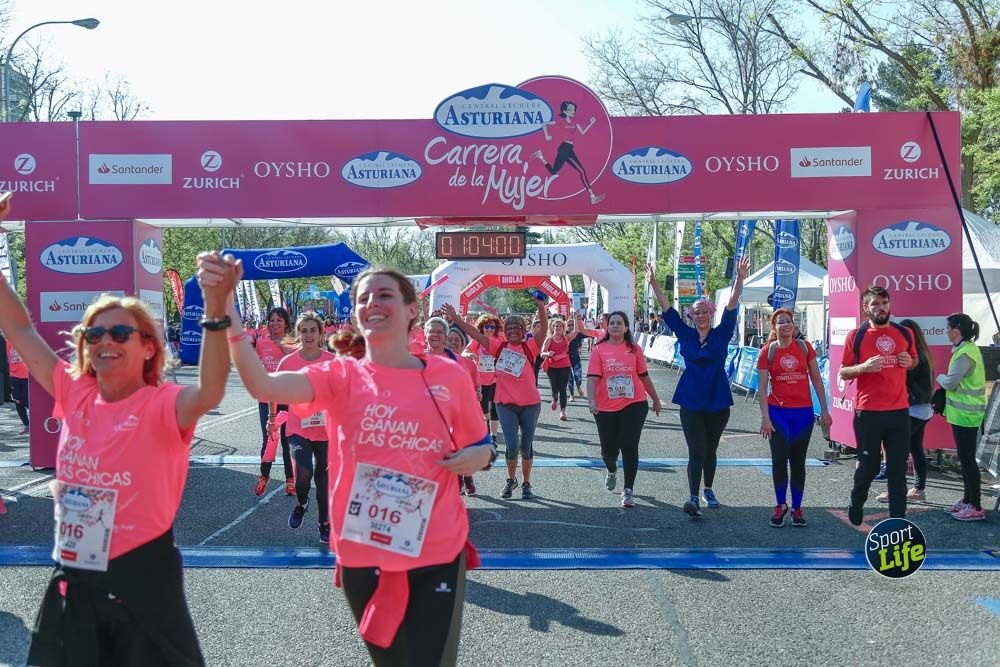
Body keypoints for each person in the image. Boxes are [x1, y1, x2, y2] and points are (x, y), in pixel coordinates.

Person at [203, 259, 493, 667]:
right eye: (363, 298)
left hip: (436, 546)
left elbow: (483, 447)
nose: (373, 302)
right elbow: (262, 385)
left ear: (413, 310)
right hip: (365, 550)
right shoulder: (339, 375)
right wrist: (224, 308)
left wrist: (472, 458)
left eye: (385, 294)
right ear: (355, 314)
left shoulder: (449, 376)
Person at [7, 248, 231, 664]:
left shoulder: (163, 403)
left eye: (120, 334)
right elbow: (19, 327)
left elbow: (211, 391)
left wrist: (216, 309)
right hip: (74, 574)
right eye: (95, 335)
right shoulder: (74, 392)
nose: (105, 341)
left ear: (148, 347)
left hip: (142, 576)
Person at [646, 256, 749, 518]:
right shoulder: (685, 333)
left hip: (717, 399)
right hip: (691, 399)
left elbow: (733, 304)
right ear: (691, 316)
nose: (701, 315)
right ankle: (693, 496)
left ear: (711, 313)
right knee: (697, 449)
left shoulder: (722, 333)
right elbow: (667, 309)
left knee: (711, 449)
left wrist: (739, 278)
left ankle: (709, 488)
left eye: (705, 311)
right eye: (696, 312)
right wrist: (654, 283)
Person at [446, 296, 547, 500]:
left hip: (530, 404)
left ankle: (527, 483)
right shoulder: (498, 347)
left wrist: (541, 308)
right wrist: (456, 319)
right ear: (505, 332)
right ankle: (511, 479)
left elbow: (544, 329)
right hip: (505, 404)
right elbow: (474, 332)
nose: (512, 331)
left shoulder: (531, 347)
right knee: (511, 445)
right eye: (509, 328)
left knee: (526, 445)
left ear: (522, 330)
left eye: (516, 328)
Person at [839, 285, 917, 525]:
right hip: (868, 413)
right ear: (866, 308)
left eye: (884, 303)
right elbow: (843, 372)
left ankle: (898, 522)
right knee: (869, 467)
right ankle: (856, 500)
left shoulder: (904, 333)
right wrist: (863, 368)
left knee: (897, 472)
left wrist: (910, 361)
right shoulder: (856, 335)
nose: (881, 308)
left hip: (898, 412)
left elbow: (913, 360)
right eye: (875, 304)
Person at [757, 309, 831, 527]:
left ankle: (797, 508)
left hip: (803, 413)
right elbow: (762, 387)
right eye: (781, 322)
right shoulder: (767, 351)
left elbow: (817, 379)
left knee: (798, 462)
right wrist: (765, 417)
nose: (785, 325)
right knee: (779, 460)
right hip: (777, 413)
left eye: (788, 321)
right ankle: (780, 505)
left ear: (794, 326)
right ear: (774, 327)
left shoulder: (804, 347)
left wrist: (825, 411)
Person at [587, 311, 661, 508]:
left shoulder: (634, 349)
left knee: (629, 445)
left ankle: (628, 490)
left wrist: (655, 399)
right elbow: (592, 378)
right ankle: (611, 469)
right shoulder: (599, 349)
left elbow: (643, 375)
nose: (615, 326)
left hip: (634, 403)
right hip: (605, 406)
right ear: (607, 327)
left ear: (626, 328)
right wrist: (591, 400)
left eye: (619, 323)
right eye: (612, 323)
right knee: (608, 450)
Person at [272, 313, 335, 542]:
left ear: (321, 334)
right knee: (304, 474)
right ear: (298, 334)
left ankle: (324, 523)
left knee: (324, 480)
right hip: (297, 427)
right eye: (304, 331)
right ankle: (301, 502)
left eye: (313, 330)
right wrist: (272, 418)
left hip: (326, 429)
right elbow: (273, 389)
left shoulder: (331, 361)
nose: (308, 335)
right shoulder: (288, 363)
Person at [877, 319, 933, 505]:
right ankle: (918, 489)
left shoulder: (913, 358)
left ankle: (896, 491)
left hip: (912, 409)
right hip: (922, 409)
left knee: (897, 451)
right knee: (916, 449)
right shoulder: (923, 353)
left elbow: (899, 380)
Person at [939, 313, 987, 521]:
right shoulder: (965, 350)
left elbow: (950, 383)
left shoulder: (966, 353)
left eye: (948, 327)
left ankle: (975, 505)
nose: (946, 331)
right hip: (964, 415)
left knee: (967, 460)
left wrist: (938, 376)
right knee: (965, 459)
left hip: (967, 416)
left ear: (956, 329)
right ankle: (967, 500)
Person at [426, 317, 482, 496]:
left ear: (445, 336)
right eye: (431, 331)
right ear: (425, 334)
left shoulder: (458, 361)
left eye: (440, 332)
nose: (435, 335)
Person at [253, 306, 295, 497]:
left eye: (279, 320)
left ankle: (290, 480)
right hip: (267, 398)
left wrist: (286, 350)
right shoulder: (262, 343)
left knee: (288, 441)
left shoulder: (294, 344)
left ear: (286, 323)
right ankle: (264, 475)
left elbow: (298, 368)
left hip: (288, 397)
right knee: (269, 437)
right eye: (272, 320)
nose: (275, 323)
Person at [532, 100, 604, 204]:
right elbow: (545, 124)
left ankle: (541, 157)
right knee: (582, 171)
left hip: (567, 149)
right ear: (565, 111)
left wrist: (591, 123)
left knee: (553, 172)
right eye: (570, 109)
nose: (573, 111)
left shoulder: (575, 122)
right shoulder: (561, 121)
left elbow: (583, 132)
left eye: (574, 110)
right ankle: (592, 197)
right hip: (565, 148)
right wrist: (547, 136)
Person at [462, 314, 503, 444]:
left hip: (496, 379)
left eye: (492, 327)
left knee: (495, 408)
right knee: (484, 409)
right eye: (487, 327)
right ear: (482, 327)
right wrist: (470, 354)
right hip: (480, 380)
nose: (490, 329)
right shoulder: (477, 340)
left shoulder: (500, 339)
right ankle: (486, 427)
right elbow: (464, 352)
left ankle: (494, 436)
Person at [540, 314, 581, 421]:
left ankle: (563, 411)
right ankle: (555, 399)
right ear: (552, 328)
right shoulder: (549, 339)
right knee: (554, 388)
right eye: (555, 326)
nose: (557, 328)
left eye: (560, 326)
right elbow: (542, 354)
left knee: (562, 388)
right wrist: (548, 354)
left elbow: (576, 331)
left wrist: (575, 318)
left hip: (565, 366)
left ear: (563, 328)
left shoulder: (566, 338)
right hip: (552, 366)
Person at [6, 335, 29, 434]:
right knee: (18, 402)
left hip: (27, 376)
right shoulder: (6, 342)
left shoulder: (26, 339)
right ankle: (27, 425)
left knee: (27, 401)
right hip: (13, 375)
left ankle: (37, 423)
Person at [567, 315, 592, 399]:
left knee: (578, 377)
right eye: (569, 325)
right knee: (569, 377)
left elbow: (588, 332)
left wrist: (580, 320)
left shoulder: (578, 334)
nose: (570, 327)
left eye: (572, 325)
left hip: (576, 358)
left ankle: (578, 386)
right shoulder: (564, 335)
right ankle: (571, 395)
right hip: (566, 359)